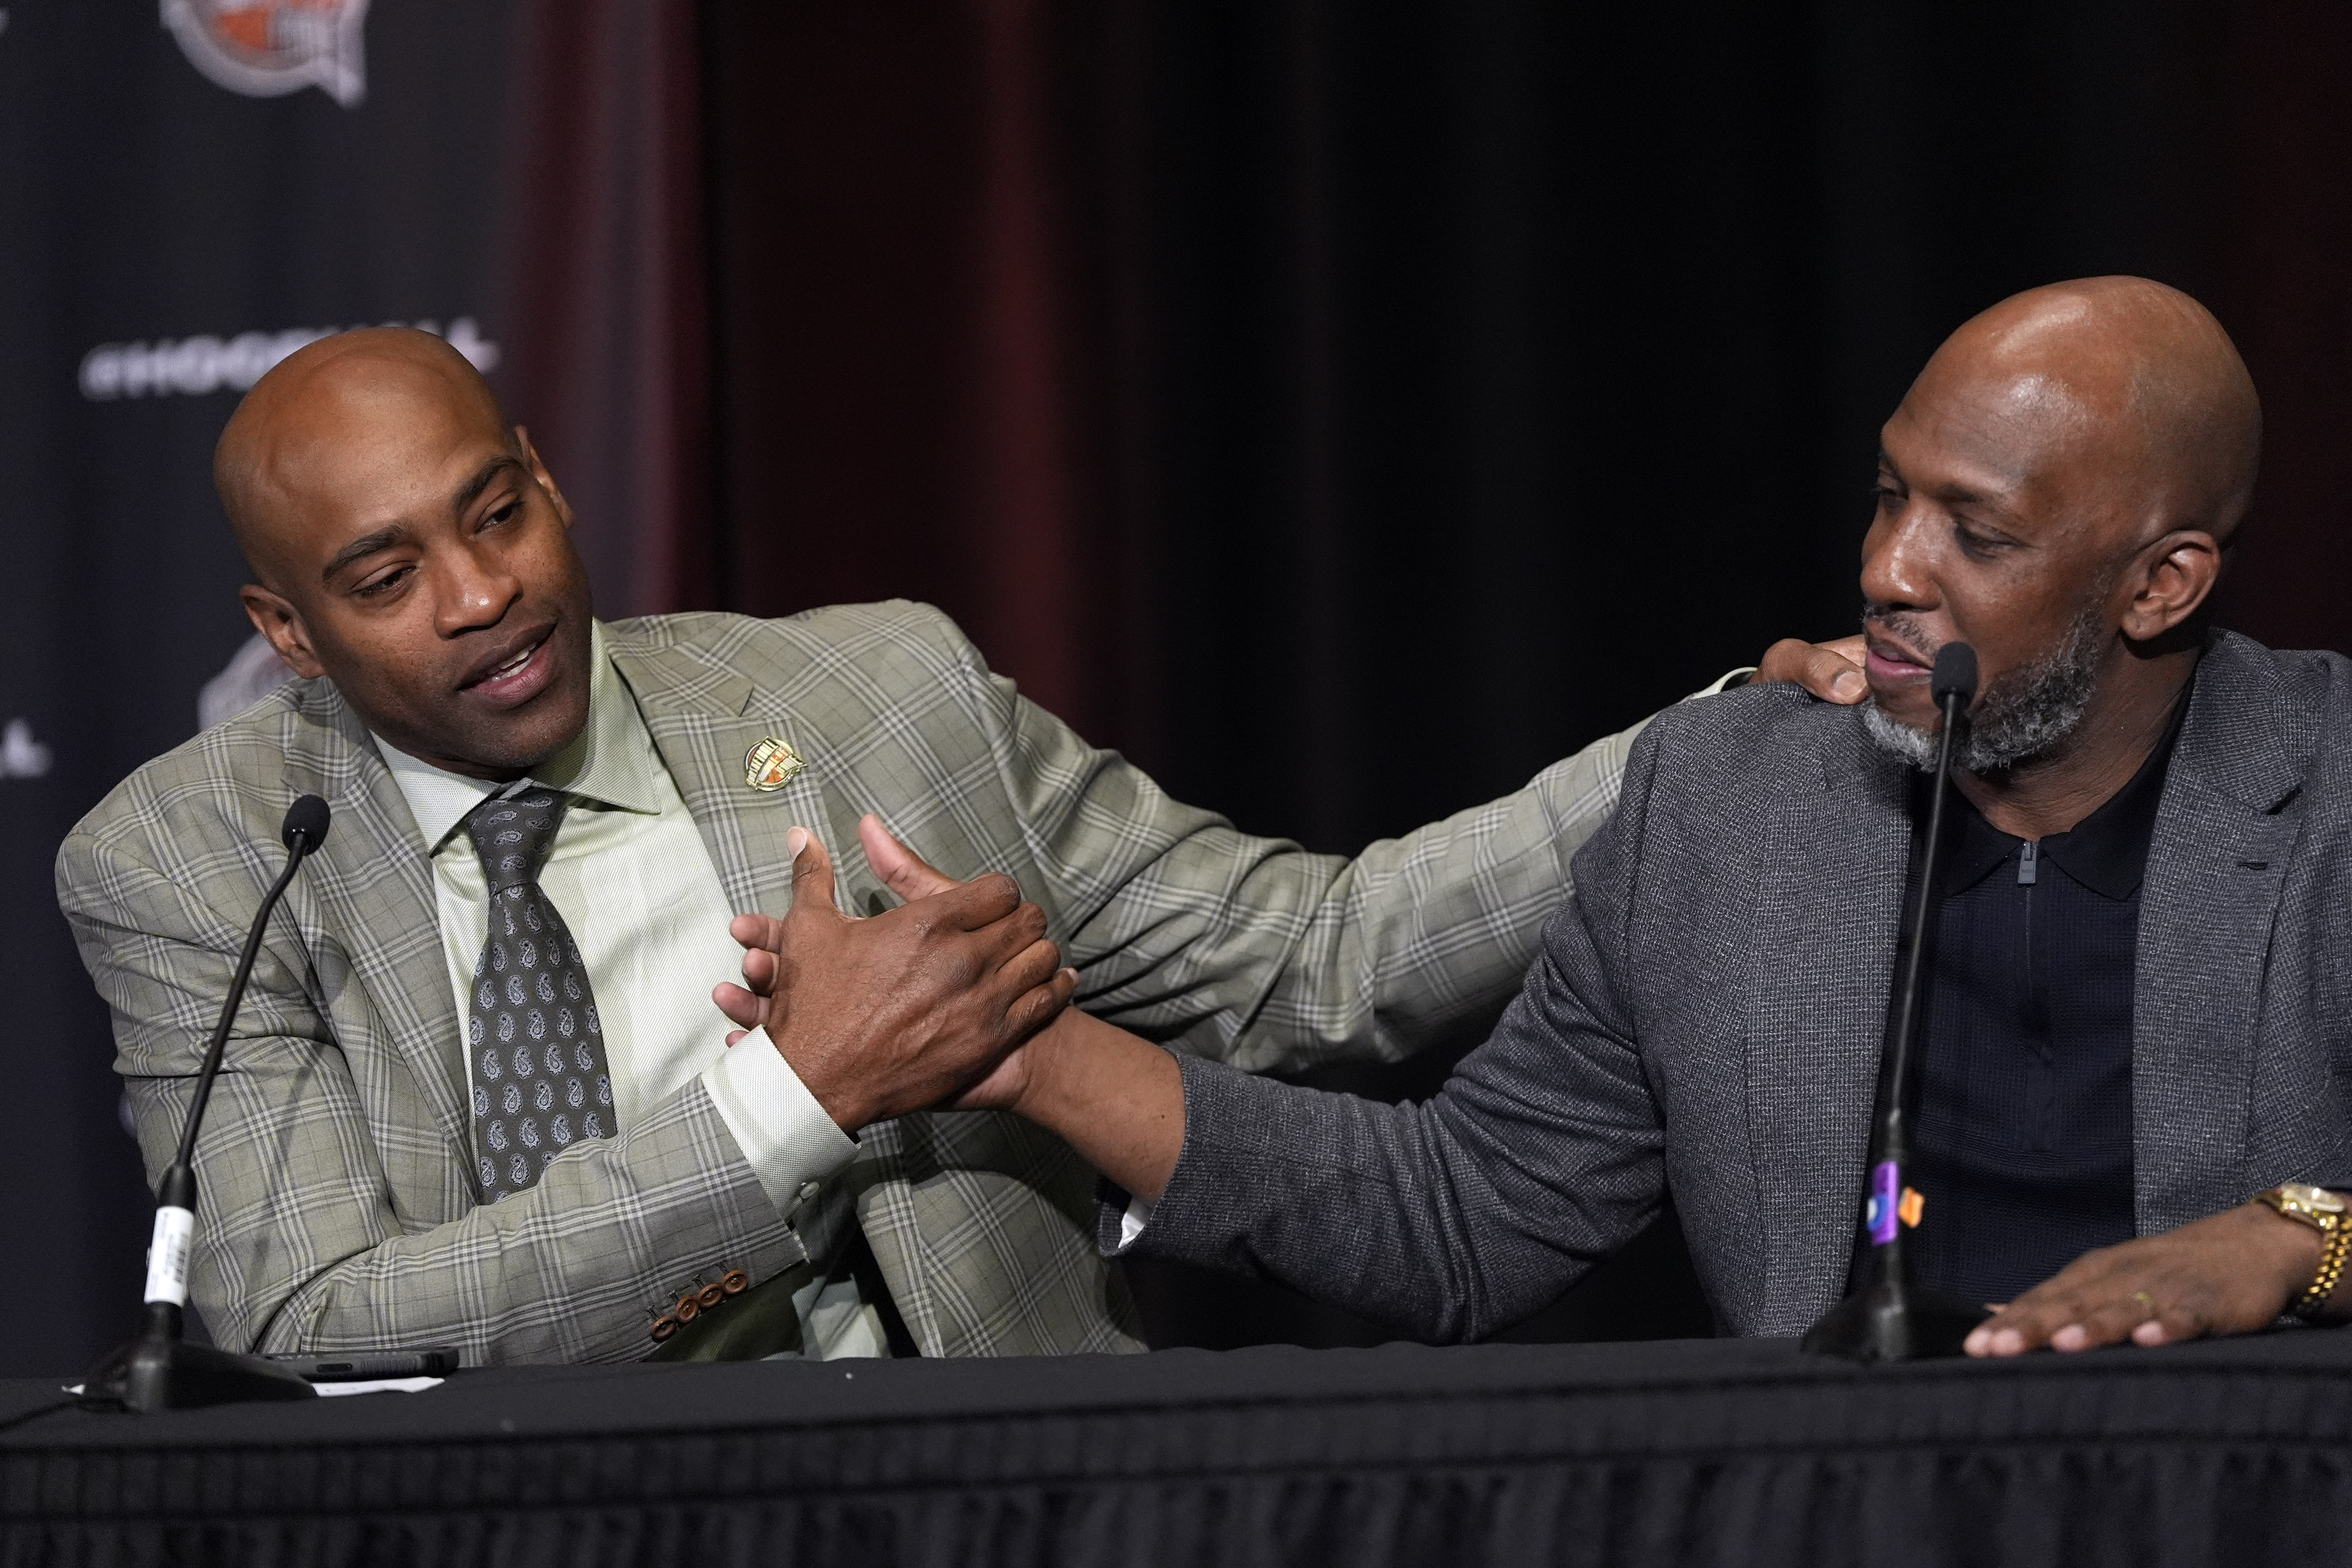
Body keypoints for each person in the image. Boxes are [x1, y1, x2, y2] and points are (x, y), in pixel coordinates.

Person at [57, 327, 1850, 1364]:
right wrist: (797, 1100)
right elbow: (308, 1309)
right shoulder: (195, 856)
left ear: (546, 472)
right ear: (283, 632)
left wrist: (1699, 756)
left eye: (498, 511)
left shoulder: (872, 695)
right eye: (383, 578)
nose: (484, 595)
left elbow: (1325, 957)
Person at [954, 276, 2352, 1354]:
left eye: (1975, 536)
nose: (1887, 571)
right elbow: (1464, 1212)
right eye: (1885, 498)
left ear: (2160, 585)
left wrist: (2304, 1240)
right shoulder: (1723, 805)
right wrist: (1032, 1060)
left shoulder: (2330, 785)